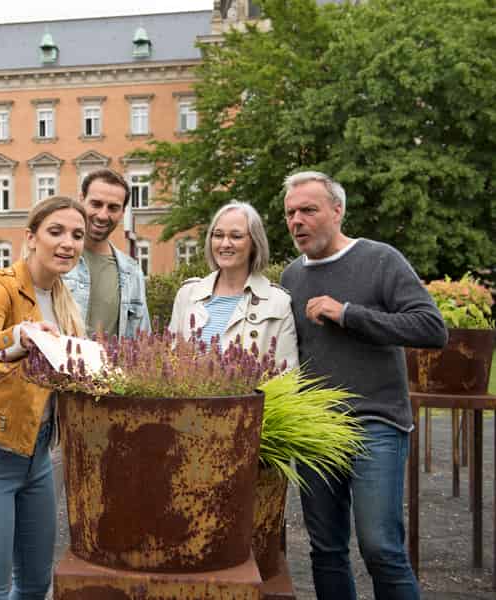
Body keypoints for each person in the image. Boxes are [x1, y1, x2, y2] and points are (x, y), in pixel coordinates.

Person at [279, 171, 448, 600]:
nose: (297, 220)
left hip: (376, 421)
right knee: (327, 550)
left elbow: (432, 328)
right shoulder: (290, 278)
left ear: (337, 211)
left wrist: (349, 314)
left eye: (308, 210)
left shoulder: (380, 259)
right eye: (290, 213)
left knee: (381, 547)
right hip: (316, 429)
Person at [0, 196, 88, 600]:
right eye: (56, 232)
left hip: (39, 458)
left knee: (33, 586)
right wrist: (17, 337)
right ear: (31, 237)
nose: (68, 243)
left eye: (77, 235)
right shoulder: (1, 286)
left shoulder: (64, 298)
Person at [167, 201, 297, 370]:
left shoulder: (278, 302)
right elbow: (170, 360)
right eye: (218, 235)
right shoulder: (187, 294)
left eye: (236, 236)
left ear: (254, 244)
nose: (225, 243)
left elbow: (287, 376)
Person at [63, 168, 151, 339]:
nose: (103, 215)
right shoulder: (55, 258)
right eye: (96, 204)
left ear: (122, 212)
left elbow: (141, 339)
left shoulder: (131, 272)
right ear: (81, 200)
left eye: (113, 208)